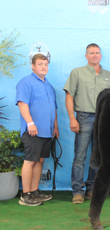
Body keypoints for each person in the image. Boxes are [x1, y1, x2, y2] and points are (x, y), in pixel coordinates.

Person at [63, 43, 110, 204]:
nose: (94, 55)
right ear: (86, 56)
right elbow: (69, 96)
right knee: (80, 156)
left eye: (97, 53)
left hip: (103, 120)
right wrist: (72, 117)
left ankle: (91, 189)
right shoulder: (77, 73)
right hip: (84, 118)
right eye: (91, 53)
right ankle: (77, 191)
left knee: (97, 157)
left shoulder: (108, 75)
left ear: (101, 56)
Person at [16, 54, 58, 206]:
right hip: (33, 130)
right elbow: (22, 104)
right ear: (32, 66)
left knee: (39, 161)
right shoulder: (25, 83)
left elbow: (53, 108)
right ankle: (25, 195)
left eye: (45, 64)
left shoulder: (49, 86)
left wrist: (55, 127)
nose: (43, 67)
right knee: (30, 161)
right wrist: (30, 123)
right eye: (40, 64)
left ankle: (34, 191)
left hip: (47, 132)